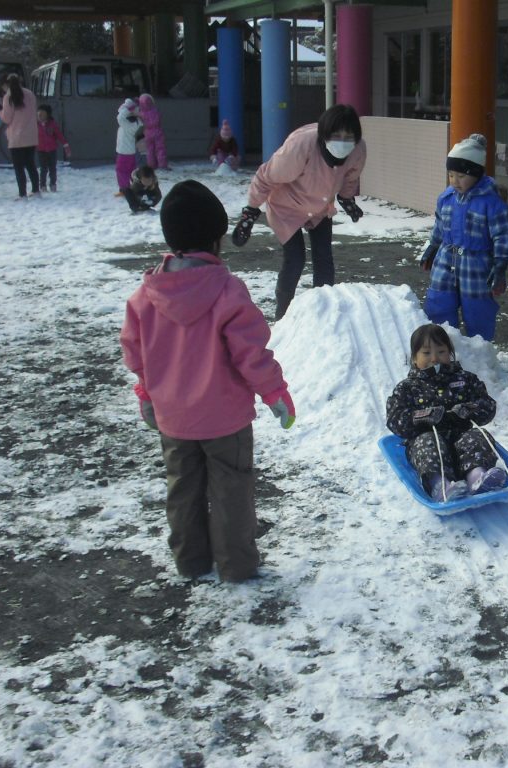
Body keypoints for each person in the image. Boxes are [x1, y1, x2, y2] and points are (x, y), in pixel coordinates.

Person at [120, 180, 296, 583]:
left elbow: (134, 351)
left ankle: (191, 560)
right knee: (231, 490)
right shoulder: (228, 292)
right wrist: (274, 393)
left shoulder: (144, 297)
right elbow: (251, 354)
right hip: (225, 422)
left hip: (173, 420)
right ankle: (237, 566)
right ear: (217, 242)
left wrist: (146, 392)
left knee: (183, 488)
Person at [232, 104, 367, 320]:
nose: (342, 141)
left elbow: (350, 177)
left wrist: (347, 199)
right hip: (287, 207)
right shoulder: (301, 145)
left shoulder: (358, 150)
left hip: (320, 207)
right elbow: (266, 176)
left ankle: (323, 313)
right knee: (295, 259)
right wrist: (250, 212)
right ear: (324, 134)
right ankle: (283, 315)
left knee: (324, 258)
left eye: (348, 136)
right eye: (336, 135)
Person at [385, 324, 508, 502]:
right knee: (426, 442)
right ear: (414, 358)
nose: (434, 358)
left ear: (450, 353)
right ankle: (440, 486)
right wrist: (421, 416)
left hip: (461, 438)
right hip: (428, 445)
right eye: (426, 353)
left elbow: (487, 406)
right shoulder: (408, 387)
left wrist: (470, 409)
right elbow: (395, 419)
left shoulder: (465, 379)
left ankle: (477, 477)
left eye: (441, 351)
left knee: (477, 435)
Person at [419, 133, 508, 342]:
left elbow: (502, 236)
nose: (455, 181)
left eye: (461, 176)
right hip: (445, 259)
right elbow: (439, 226)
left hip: (476, 264)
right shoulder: (446, 198)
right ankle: (442, 348)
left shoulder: (491, 203)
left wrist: (500, 265)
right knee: (438, 305)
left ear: (477, 173)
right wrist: (432, 247)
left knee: (478, 310)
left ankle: (479, 354)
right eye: (451, 175)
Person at [0, 73, 39, 199]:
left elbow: (6, 118)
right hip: (31, 135)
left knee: (19, 168)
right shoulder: (30, 94)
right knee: (31, 165)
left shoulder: (8, 96)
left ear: (5, 85)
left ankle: (22, 194)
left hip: (16, 138)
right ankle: (36, 191)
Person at [36, 104, 70, 193]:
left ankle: (53, 184)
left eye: (42, 114)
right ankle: (42, 185)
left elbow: (59, 135)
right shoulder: (36, 125)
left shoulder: (52, 125)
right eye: (38, 114)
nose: (39, 116)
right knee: (43, 169)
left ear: (47, 114)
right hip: (41, 150)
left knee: (52, 168)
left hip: (52, 150)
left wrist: (65, 145)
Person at [116, 98, 141, 197]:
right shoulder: (136, 122)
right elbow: (121, 114)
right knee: (131, 171)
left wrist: (128, 106)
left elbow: (120, 116)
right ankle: (137, 187)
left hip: (124, 152)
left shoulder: (126, 124)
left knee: (121, 171)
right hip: (130, 152)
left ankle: (125, 190)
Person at [138, 93, 169, 170]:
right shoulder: (155, 111)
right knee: (160, 149)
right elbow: (159, 119)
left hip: (147, 133)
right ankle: (162, 165)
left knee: (149, 150)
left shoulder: (141, 113)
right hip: (157, 131)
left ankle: (151, 165)